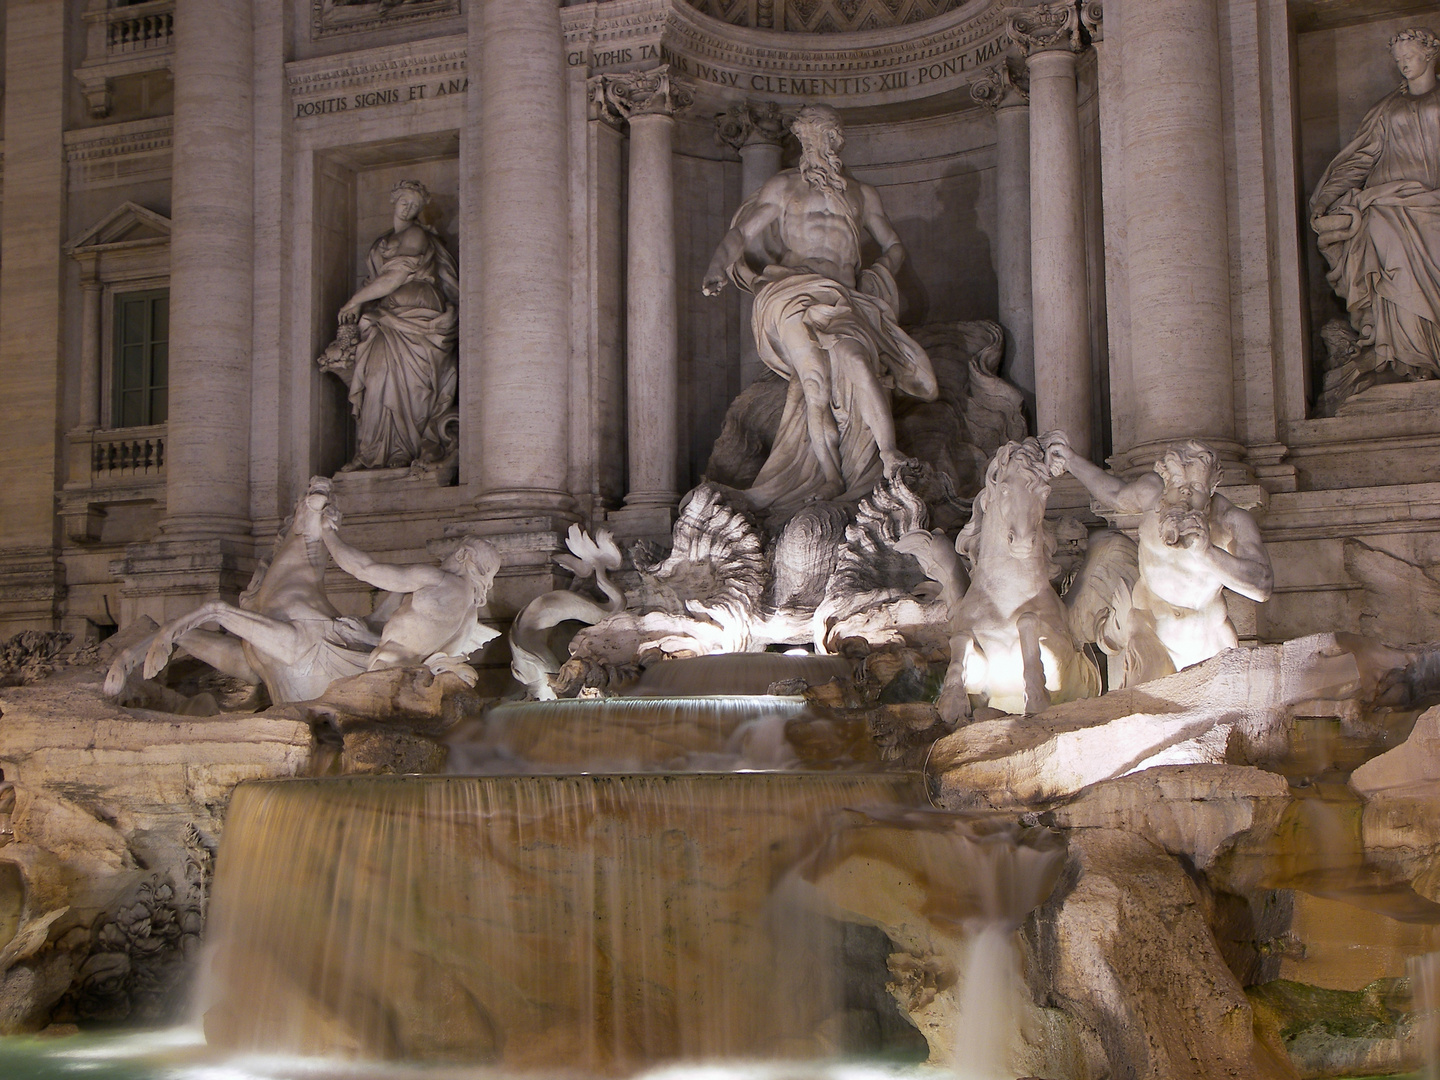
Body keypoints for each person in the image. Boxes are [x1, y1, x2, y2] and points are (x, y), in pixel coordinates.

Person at [702, 104, 937, 520]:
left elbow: (894, 245)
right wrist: (717, 265)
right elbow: (741, 232)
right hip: (793, 291)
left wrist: (881, 271)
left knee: (856, 358)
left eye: (826, 137)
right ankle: (829, 474)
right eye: (810, 138)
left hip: (845, 296)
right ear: (801, 142)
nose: (818, 145)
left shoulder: (862, 194)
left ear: (836, 141)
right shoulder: (784, 187)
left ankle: (888, 453)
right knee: (813, 381)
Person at [1047, 435, 1273, 686]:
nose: (1184, 494)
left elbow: (1262, 585)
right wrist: (1070, 459)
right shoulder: (1151, 495)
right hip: (1150, 630)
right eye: (1177, 484)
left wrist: (1206, 552)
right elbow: (1113, 493)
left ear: (1212, 488)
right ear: (1166, 480)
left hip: (1206, 638)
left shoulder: (1230, 520)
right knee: (1144, 712)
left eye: (1196, 488)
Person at [1310, 27, 1440, 384]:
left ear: (1429, 55)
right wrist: (1325, 198)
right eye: (1398, 60)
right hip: (1386, 204)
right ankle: (1411, 359)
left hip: (1433, 205)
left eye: (1409, 57)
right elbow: (1360, 160)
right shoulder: (1387, 108)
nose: (1403, 65)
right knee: (1395, 273)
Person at [320, 179, 460, 471]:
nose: (408, 208)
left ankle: (405, 451)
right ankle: (373, 452)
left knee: (412, 387)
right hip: (386, 318)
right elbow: (379, 282)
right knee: (377, 377)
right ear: (393, 201)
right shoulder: (381, 241)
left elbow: (394, 278)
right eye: (404, 201)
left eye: (414, 205)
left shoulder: (417, 236)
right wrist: (364, 303)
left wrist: (354, 302)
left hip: (418, 316)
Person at [318, 511, 502, 686]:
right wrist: (368, 637)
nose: (445, 558)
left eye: (451, 553)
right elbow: (422, 649)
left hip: (386, 675)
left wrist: (327, 533)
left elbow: (364, 569)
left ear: (464, 554)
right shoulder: (471, 614)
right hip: (408, 679)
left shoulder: (439, 580)